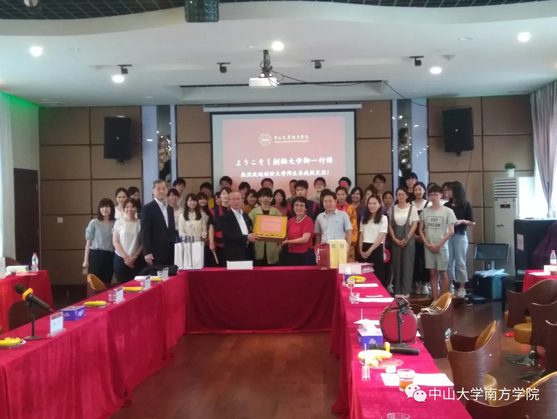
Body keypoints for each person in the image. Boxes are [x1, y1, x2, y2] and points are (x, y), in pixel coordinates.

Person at [420, 185, 457, 302]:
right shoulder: (425, 212)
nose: (433, 197)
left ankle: (443, 301)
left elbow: (451, 231)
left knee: (443, 273)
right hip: (428, 247)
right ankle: (435, 300)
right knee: (432, 274)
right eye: (431, 195)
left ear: (441, 195)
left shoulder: (448, 211)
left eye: (435, 194)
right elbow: (420, 229)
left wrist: (439, 244)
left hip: (442, 247)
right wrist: (426, 243)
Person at [445, 183, 475, 298]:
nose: (448, 193)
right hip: (448, 235)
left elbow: (472, 222)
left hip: (460, 235)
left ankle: (462, 287)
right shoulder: (447, 205)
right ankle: (450, 285)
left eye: (450, 190)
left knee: (460, 262)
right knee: (449, 262)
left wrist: (462, 221)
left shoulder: (466, 205)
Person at [389, 188, 419, 298]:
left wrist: (407, 238)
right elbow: (390, 225)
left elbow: (415, 225)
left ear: (407, 196)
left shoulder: (412, 208)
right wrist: (394, 238)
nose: (400, 196)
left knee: (407, 265)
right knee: (396, 265)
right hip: (395, 240)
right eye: (398, 194)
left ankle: (405, 291)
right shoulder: (392, 208)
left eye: (403, 194)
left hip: (409, 240)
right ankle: (397, 290)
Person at [141, 180, 176, 267]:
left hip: (170, 251)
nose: (161, 191)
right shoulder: (147, 208)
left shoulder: (170, 209)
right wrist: (147, 252)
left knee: (170, 274)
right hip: (155, 252)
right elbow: (145, 232)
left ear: (167, 190)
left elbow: (171, 230)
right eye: (158, 189)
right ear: (153, 191)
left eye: (163, 188)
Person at [83, 198, 116, 284]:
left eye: (107, 207)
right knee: (94, 282)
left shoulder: (116, 223)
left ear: (112, 209)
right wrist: (85, 260)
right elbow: (88, 242)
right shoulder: (94, 222)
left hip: (110, 255)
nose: (105, 209)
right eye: (102, 207)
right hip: (96, 255)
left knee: (107, 282)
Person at [220, 191, 258, 261]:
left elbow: (250, 230)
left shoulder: (246, 215)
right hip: (234, 252)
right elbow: (228, 235)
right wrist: (246, 237)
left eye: (238, 199)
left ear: (242, 200)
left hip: (248, 251)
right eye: (233, 199)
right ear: (229, 201)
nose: (236, 201)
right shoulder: (225, 216)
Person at [359, 194, 388, 285]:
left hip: (376, 248)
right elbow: (361, 235)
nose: (371, 205)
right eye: (370, 203)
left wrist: (370, 250)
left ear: (379, 204)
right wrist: (360, 250)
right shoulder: (364, 218)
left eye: (374, 203)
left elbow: (382, 235)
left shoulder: (383, 218)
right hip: (364, 248)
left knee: (377, 274)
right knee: (365, 276)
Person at [249, 188, 282, 266]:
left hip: (272, 244)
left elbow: (282, 229)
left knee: (272, 267)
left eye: (267, 196)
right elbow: (249, 226)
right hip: (258, 242)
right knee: (258, 266)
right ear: (259, 198)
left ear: (271, 198)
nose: (265, 198)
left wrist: (280, 244)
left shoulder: (276, 211)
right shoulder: (254, 211)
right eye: (263, 196)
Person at [112, 198, 143, 283]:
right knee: (122, 286)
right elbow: (115, 242)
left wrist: (135, 257)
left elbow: (142, 243)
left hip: (136, 259)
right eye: (127, 207)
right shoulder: (119, 223)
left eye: (132, 207)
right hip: (120, 259)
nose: (129, 209)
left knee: (136, 285)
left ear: (136, 208)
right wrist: (125, 257)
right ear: (124, 208)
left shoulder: (140, 223)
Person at [283, 196, 315, 266]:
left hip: (305, 255)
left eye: (302, 205)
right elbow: (286, 236)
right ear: (293, 207)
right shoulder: (290, 221)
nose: (299, 208)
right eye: (296, 205)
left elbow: (305, 239)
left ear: (305, 208)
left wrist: (288, 242)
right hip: (291, 254)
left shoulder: (308, 220)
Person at [412, 182, 431, 295]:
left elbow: (429, 222)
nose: (418, 192)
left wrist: (422, 235)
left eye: (420, 189)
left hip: (426, 236)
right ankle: (416, 283)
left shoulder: (428, 204)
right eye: (416, 190)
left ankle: (425, 283)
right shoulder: (410, 204)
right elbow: (409, 223)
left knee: (425, 260)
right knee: (414, 260)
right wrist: (414, 236)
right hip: (412, 236)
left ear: (424, 191)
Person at [210, 187, 232, 265]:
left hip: (232, 242)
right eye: (223, 193)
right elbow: (211, 227)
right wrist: (211, 242)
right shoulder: (214, 210)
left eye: (228, 193)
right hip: (218, 242)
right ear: (220, 196)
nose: (226, 196)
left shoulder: (234, 209)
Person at [336, 186, 358, 262]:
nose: (340, 197)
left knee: (348, 263)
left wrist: (351, 241)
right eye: (338, 194)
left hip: (348, 240)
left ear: (346, 195)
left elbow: (353, 226)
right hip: (335, 240)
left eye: (343, 194)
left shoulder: (351, 208)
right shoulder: (333, 208)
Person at [197, 192, 217, 266]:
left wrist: (208, 237)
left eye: (205, 199)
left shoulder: (209, 212)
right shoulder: (195, 212)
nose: (203, 201)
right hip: (198, 239)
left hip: (208, 239)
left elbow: (211, 225)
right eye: (200, 199)